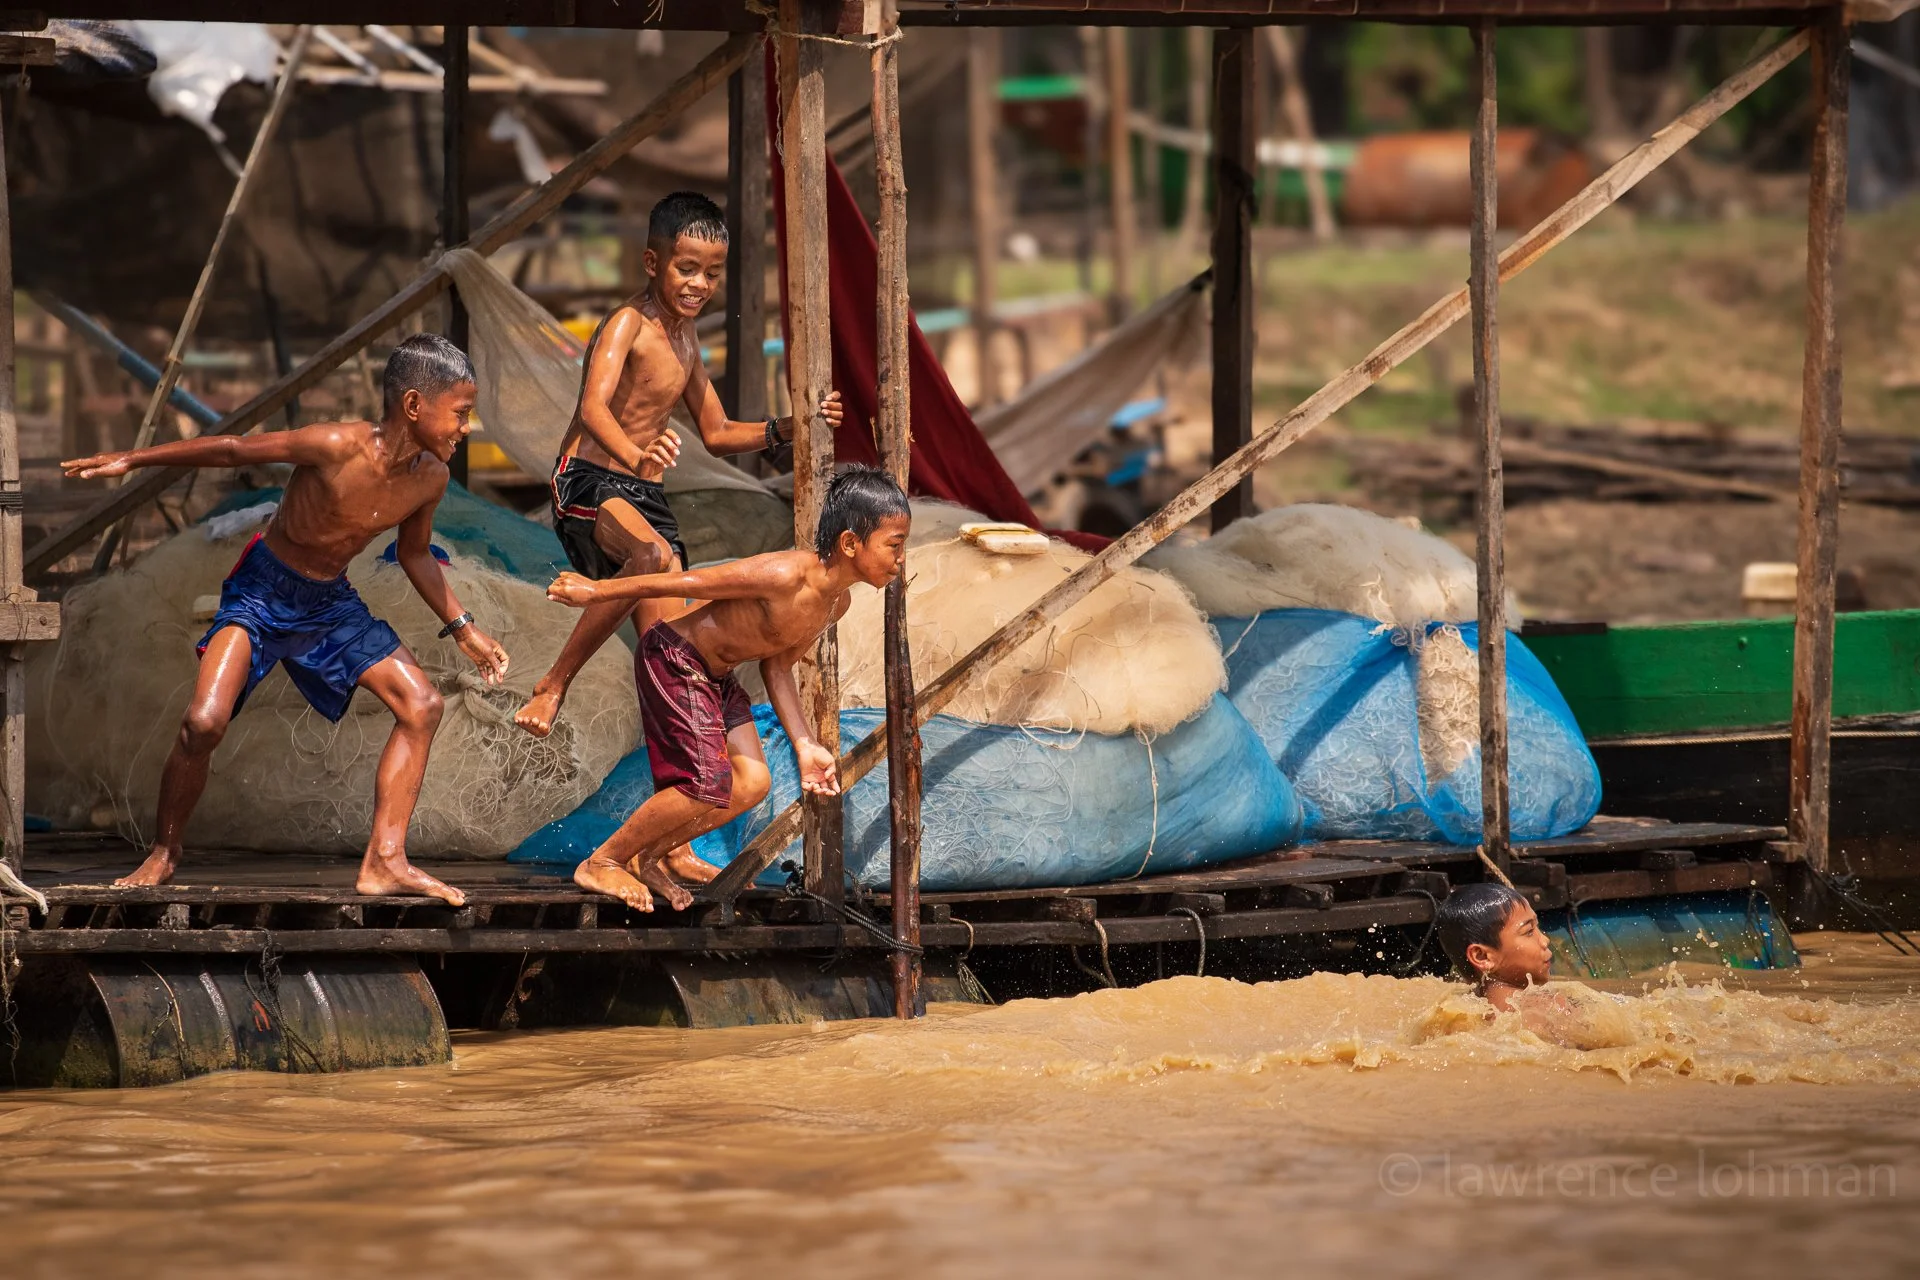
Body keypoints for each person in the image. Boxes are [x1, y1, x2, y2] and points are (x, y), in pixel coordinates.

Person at [61, 333, 510, 907]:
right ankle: (165, 851)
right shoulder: (335, 445)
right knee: (203, 723)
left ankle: (385, 860)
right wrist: (135, 459)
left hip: (330, 604)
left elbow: (415, 553)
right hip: (261, 592)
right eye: (461, 413)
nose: (466, 428)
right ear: (414, 405)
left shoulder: (431, 478)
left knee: (422, 706)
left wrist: (465, 628)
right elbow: (233, 450)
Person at [515, 190, 844, 739]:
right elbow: (592, 408)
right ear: (653, 262)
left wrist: (791, 427)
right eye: (686, 268)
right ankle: (553, 684)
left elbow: (716, 433)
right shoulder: (628, 323)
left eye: (712, 274)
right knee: (650, 554)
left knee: (670, 645)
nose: (699, 284)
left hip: (644, 495)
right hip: (588, 480)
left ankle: (682, 754)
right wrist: (636, 454)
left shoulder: (686, 338)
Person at [545, 467, 910, 912]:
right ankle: (603, 860)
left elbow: (777, 666)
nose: (900, 559)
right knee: (704, 783)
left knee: (753, 783)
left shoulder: (837, 602)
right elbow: (689, 582)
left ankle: (651, 856)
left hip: (717, 675)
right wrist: (600, 590)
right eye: (894, 545)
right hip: (674, 657)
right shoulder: (785, 574)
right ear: (850, 543)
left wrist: (805, 745)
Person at [1434, 882, 1554, 1011]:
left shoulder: (1466, 1006)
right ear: (1482, 957)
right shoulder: (1544, 1008)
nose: (1545, 940)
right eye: (1529, 931)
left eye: (1537, 926)